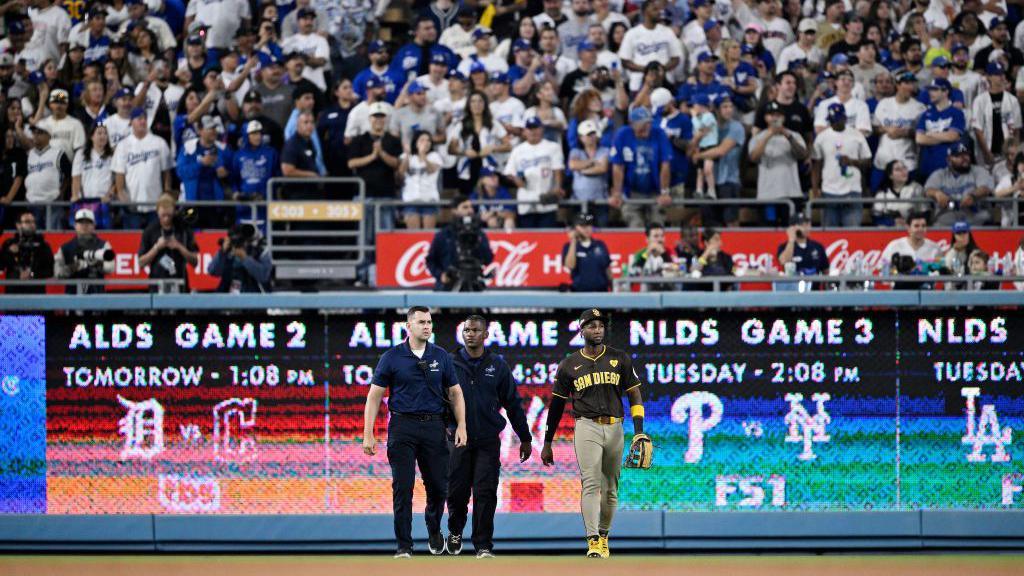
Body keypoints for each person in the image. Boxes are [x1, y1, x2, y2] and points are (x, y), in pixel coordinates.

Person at [363, 306, 467, 559]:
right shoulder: (392, 357)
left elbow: (455, 392)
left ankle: (433, 529)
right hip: (402, 427)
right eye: (421, 322)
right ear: (408, 326)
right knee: (403, 487)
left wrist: (462, 425)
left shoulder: (441, 356)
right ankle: (404, 546)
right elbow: (374, 396)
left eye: (429, 322)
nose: (427, 326)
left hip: (433, 426)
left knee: (438, 488)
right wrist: (368, 433)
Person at [541, 308, 646, 558]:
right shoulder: (569, 365)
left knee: (610, 488)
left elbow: (634, 394)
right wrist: (547, 442)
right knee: (591, 483)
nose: (597, 329)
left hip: (615, 427)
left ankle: (604, 534)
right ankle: (593, 541)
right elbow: (556, 406)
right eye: (591, 326)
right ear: (581, 330)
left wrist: (639, 431)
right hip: (586, 425)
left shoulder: (619, 358)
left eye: (600, 325)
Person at [444, 314, 532, 558]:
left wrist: (525, 438)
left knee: (485, 492)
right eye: (467, 330)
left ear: (485, 335)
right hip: (457, 440)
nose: (470, 334)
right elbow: (438, 400)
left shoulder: (498, 365)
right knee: (457, 493)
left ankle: (483, 545)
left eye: (475, 330)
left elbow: (513, 403)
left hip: (487, 441)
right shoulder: (448, 363)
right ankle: (455, 532)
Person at [610, 106, 672, 229]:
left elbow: (665, 164)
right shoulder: (622, 135)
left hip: (655, 190)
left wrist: (664, 192)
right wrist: (617, 192)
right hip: (631, 191)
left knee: (657, 226)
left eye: (648, 123)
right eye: (643, 124)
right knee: (635, 226)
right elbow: (618, 166)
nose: (647, 127)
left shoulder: (659, 133)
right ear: (632, 124)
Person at [811, 103, 872, 228]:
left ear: (845, 118)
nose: (834, 123)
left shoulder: (857, 135)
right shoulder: (821, 137)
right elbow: (816, 164)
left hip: (852, 190)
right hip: (829, 191)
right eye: (832, 121)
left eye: (837, 120)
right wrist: (815, 187)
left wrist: (852, 162)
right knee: (828, 234)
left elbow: (868, 161)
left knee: (852, 233)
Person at [749, 100, 808, 226]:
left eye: (778, 115)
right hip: (767, 194)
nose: (775, 118)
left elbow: (802, 155)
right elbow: (754, 157)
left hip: (791, 193)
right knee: (769, 232)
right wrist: (769, 135)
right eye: (771, 115)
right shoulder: (758, 137)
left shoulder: (794, 135)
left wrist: (787, 135)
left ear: (783, 117)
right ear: (766, 117)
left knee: (791, 230)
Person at [112, 107, 173, 230]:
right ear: (131, 122)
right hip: (133, 206)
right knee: (131, 244)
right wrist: (125, 202)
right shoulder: (123, 146)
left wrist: (166, 197)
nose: (142, 121)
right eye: (139, 119)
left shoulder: (159, 143)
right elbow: (119, 181)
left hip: (155, 206)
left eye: (144, 118)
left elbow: (166, 174)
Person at [503, 116, 564, 228]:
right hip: (526, 200)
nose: (533, 131)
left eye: (536, 128)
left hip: (546, 198)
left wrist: (557, 187)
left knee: (547, 237)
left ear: (541, 129)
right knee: (529, 236)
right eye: (530, 129)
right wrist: (517, 180)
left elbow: (557, 168)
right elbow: (509, 172)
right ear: (525, 131)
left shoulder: (552, 147)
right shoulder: (518, 150)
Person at [425, 196, 494, 291]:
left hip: (474, 281)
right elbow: (431, 260)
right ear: (454, 210)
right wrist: (440, 275)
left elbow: (488, 259)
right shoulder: (444, 235)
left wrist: (478, 241)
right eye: (465, 207)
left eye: (471, 207)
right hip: (449, 285)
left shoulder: (479, 234)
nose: (470, 210)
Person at [176, 115, 232, 228]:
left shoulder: (224, 149)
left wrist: (226, 174)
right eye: (209, 128)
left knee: (214, 238)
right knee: (192, 238)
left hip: (215, 205)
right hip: (192, 204)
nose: (213, 131)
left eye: (214, 128)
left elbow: (234, 172)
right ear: (200, 130)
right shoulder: (188, 148)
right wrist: (201, 164)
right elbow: (181, 172)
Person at [924, 141, 994, 226]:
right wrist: (936, 193)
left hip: (974, 217)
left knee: (985, 217)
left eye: (966, 154)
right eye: (958, 156)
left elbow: (985, 188)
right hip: (947, 217)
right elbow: (928, 190)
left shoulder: (978, 171)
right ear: (949, 159)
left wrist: (973, 196)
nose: (964, 158)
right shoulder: (940, 174)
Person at [137, 195, 198, 293]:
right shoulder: (150, 230)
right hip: (157, 285)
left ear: (174, 212)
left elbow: (195, 262)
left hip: (180, 282)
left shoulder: (183, 230)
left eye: (169, 216)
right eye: (163, 215)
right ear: (157, 212)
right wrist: (156, 248)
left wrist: (179, 246)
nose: (166, 219)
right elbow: (141, 263)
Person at [916, 78, 966, 182]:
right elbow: (920, 139)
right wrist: (944, 136)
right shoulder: (926, 114)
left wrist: (930, 134)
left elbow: (953, 136)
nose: (930, 93)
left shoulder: (956, 113)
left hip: (949, 167)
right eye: (930, 89)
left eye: (935, 89)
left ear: (945, 91)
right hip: (928, 166)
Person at [54, 208, 114, 294]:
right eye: (81, 222)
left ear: (94, 225)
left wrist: (98, 264)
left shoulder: (103, 245)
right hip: (72, 294)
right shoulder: (65, 248)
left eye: (88, 222)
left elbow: (110, 268)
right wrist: (72, 268)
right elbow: (57, 273)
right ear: (75, 225)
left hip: (96, 293)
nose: (84, 225)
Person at [25, 123, 71, 231]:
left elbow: (69, 175)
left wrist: (62, 192)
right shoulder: (29, 154)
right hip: (32, 202)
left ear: (49, 136)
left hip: (53, 202)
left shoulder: (58, 153)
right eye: (34, 133)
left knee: (54, 236)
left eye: (40, 133)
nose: (36, 135)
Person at [207, 222, 273, 293]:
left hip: (255, 297)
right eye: (236, 241)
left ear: (249, 240)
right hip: (230, 298)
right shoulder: (227, 251)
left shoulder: (259, 251)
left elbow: (264, 276)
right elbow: (212, 271)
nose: (240, 244)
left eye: (242, 241)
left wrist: (245, 258)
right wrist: (222, 252)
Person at [568, 119, 611, 227]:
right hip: (580, 201)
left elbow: (602, 168)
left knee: (601, 231)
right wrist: (592, 162)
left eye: (593, 134)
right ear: (581, 137)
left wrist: (582, 170)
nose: (591, 137)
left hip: (599, 202)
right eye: (588, 135)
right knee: (582, 230)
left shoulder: (604, 150)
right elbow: (573, 165)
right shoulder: (575, 152)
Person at [0, 210, 54, 294]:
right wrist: (8, 253)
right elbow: (1, 267)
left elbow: (50, 271)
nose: (31, 224)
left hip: (36, 292)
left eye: (33, 222)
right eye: (27, 222)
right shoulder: (9, 244)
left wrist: (32, 274)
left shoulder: (43, 245)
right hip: (13, 292)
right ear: (18, 225)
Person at [399, 130, 443, 229]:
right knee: (413, 235)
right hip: (410, 199)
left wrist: (422, 155)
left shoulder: (435, 156)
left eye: (428, 140)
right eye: (422, 140)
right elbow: (401, 173)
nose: (426, 143)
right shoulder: (407, 157)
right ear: (415, 143)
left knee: (428, 235)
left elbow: (431, 170)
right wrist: (407, 154)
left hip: (429, 200)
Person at [562, 212, 611, 292]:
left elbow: (607, 269)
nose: (587, 229)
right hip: (579, 293)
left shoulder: (600, 245)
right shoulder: (568, 246)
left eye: (589, 225)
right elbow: (570, 265)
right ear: (575, 228)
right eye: (582, 226)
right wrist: (573, 241)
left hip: (601, 293)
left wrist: (612, 288)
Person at [624, 223, 677, 291]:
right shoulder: (640, 254)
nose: (660, 239)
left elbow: (675, 272)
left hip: (668, 292)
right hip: (645, 295)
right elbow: (633, 274)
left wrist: (663, 254)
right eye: (656, 236)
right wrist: (647, 253)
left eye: (662, 236)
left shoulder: (670, 252)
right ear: (647, 239)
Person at [872, 159, 925, 227]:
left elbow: (925, 213)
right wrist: (892, 222)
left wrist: (910, 223)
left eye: (904, 168)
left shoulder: (916, 188)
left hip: (912, 229)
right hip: (888, 231)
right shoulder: (882, 194)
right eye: (898, 169)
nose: (903, 171)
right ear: (890, 175)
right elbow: (876, 219)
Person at [777, 213, 829, 277]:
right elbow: (784, 261)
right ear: (792, 227)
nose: (807, 228)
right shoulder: (784, 246)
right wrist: (791, 240)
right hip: (793, 285)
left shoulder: (817, 246)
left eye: (808, 225)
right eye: (802, 225)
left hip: (814, 286)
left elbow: (826, 271)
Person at [690, 94, 718, 199]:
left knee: (708, 170)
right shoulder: (700, 117)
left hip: (710, 146)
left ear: (701, 106)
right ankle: (699, 190)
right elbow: (695, 133)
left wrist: (693, 117)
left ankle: (711, 191)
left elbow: (700, 129)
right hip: (701, 146)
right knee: (700, 171)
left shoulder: (709, 116)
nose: (693, 107)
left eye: (695, 105)